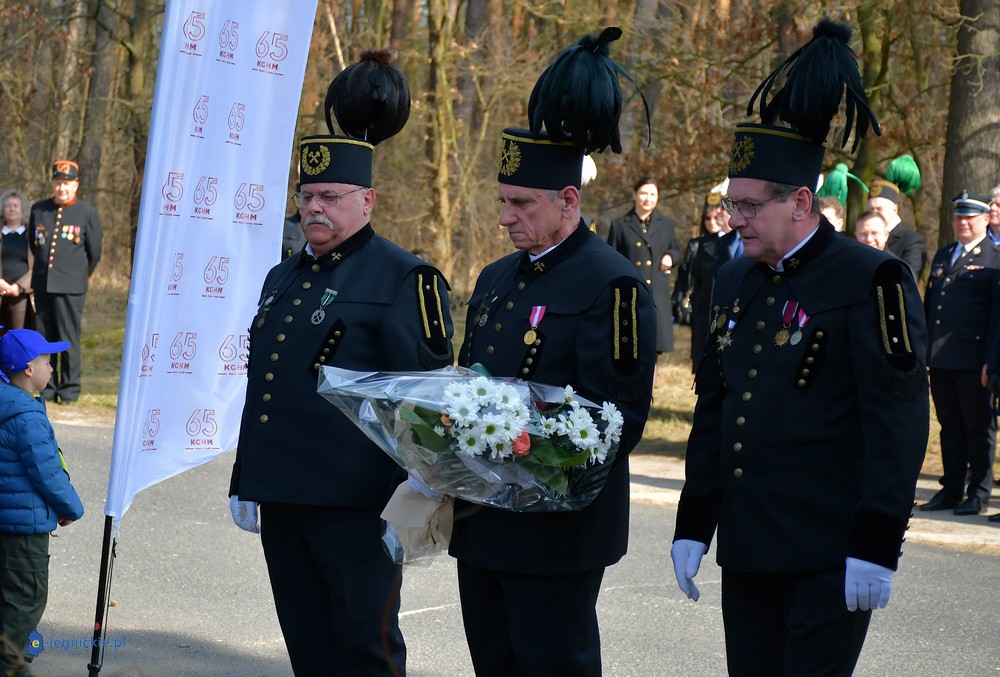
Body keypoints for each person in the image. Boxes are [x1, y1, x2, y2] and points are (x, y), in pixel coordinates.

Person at [671, 20, 929, 676]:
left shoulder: (871, 278)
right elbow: (716, 406)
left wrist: (877, 541)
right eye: (732, 205)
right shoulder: (735, 277)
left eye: (749, 206)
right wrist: (695, 518)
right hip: (748, 549)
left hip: (829, 552)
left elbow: (897, 422)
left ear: (802, 202)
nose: (735, 219)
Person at [227, 51, 454, 675]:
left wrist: (421, 494)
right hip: (283, 496)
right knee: (308, 647)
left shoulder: (403, 277)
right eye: (306, 196)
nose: (314, 208)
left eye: (331, 195)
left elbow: (427, 396)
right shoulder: (282, 276)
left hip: (359, 505)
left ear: (367, 199)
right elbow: (265, 382)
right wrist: (246, 476)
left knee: (365, 649)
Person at [450, 27, 656, 676]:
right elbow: (468, 379)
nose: (505, 218)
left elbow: (618, 419)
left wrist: (524, 452)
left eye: (521, 204)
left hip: (557, 531)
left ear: (568, 200)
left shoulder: (612, 283)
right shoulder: (495, 278)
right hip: (483, 520)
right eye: (502, 202)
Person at [0, 328, 84, 675]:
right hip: (25, 530)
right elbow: (47, 473)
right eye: (47, 362)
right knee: (26, 601)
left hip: (8, 524)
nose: (52, 368)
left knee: (9, 601)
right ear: (28, 369)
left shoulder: (12, 403)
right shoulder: (27, 417)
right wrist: (71, 508)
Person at [920, 191, 1000, 518]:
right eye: (958, 217)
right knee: (949, 425)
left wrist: (991, 360)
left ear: (986, 219)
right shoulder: (944, 255)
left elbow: (996, 317)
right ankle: (951, 488)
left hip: (974, 359)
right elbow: (932, 307)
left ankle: (979, 492)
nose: (963, 223)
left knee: (978, 428)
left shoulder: (995, 258)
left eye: (970, 217)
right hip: (941, 358)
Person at [27, 161, 102, 404]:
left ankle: (69, 389)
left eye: (67, 183)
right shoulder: (39, 210)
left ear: (76, 185)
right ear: (52, 184)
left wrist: (79, 275)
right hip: (43, 284)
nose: (62, 188)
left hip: (71, 286)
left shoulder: (86, 212)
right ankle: (47, 387)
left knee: (68, 337)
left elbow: (95, 252)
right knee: (44, 339)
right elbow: (34, 245)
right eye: (58, 183)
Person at [606, 177, 681, 354]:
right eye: (643, 193)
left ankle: (653, 375)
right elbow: (610, 260)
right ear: (634, 195)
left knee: (654, 348)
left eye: (653, 194)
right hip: (629, 295)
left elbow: (676, 250)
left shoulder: (667, 224)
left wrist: (671, 256)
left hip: (657, 294)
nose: (648, 198)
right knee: (628, 347)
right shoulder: (619, 225)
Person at [685, 189, 732, 372]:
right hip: (706, 316)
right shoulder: (705, 243)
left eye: (723, 207)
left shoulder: (747, 244)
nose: (718, 211)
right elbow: (698, 282)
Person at [868, 177, 926, 279]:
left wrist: (882, 248)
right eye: (871, 209)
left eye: (879, 209)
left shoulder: (913, 240)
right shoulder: (864, 237)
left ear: (895, 209)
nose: (874, 214)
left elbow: (910, 278)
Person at [0, 190, 35, 330]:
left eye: (15, 205)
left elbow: (38, 265)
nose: (12, 209)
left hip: (21, 295)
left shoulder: (32, 235)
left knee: (17, 335)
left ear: (23, 209)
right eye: (8, 205)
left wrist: (19, 287)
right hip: (0, 289)